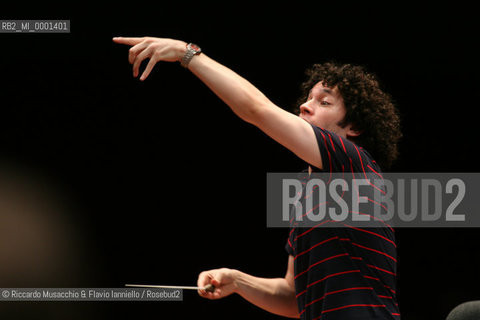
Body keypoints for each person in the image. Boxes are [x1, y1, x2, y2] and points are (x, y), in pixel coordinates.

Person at [113, 36, 402, 319]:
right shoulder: (305, 190)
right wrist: (238, 281)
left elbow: (256, 109)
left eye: (324, 103)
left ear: (354, 127)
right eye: (307, 97)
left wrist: (185, 54)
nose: (304, 106)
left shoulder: (354, 166)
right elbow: (292, 297)